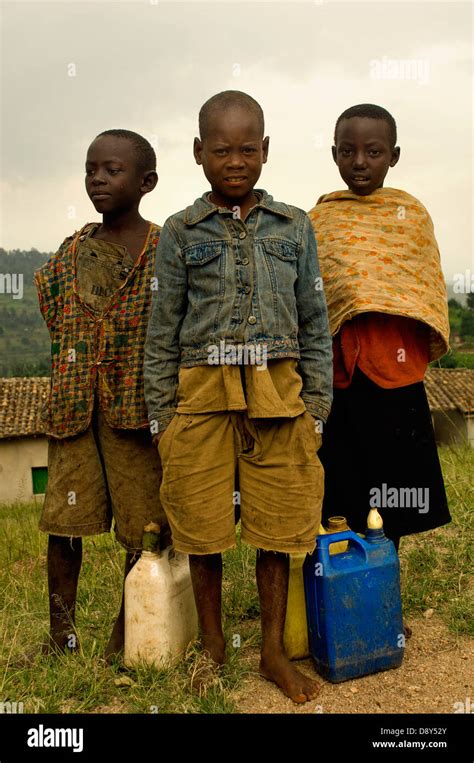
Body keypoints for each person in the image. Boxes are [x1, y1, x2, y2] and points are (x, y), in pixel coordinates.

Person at [144, 90, 333, 703]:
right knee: (201, 525)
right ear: (199, 152)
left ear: (266, 151)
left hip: (279, 393)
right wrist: (161, 421)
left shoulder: (294, 226)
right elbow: (161, 331)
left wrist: (319, 411)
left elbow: (313, 323)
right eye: (221, 150)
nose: (235, 161)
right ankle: (214, 646)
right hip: (200, 395)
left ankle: (273, 652)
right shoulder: (180, 232)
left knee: (278, 526)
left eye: (247, 149)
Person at [35, 129, 169, 660]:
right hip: (73, 411)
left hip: (135, 415)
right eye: (92, 169)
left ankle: (129, 633)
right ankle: (61, 637)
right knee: (64, 528)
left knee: (145, 528)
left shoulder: (165, 251)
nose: (97, 179)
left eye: (112, 170)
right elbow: (52, 305)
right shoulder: (71, 253)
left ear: (146, 181)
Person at [308, 104, 451, 563]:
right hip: (338, 379)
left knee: (396, 496)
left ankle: (385, 591)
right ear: (334, 154)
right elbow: (311, 298)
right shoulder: (319, 220)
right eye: (348, 151)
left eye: (373, 151)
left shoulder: (409, 216)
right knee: (340, 489)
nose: (360, 162)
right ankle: (343, 593)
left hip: (396, 374)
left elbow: (423, 289)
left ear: (394, 155)